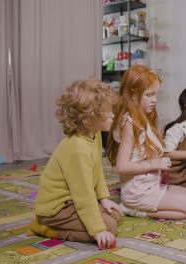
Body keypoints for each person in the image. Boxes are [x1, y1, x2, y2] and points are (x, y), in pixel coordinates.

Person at [28, 79, 122, 250]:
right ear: (91, 115)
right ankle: (46, 228)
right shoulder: (77, 147)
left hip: (72, 202)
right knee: (109, 227)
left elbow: (97, 171)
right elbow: (83, 193)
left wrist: (104, 199)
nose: (113, 115)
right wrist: (97, 230)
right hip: (56, 208)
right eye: (108, 111)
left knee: (114, 214)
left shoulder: (95, 135)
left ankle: (92, 220)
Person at [106, 65, 186, 219]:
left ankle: (137, 206)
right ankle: (134, 210)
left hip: (153, 185)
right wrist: (155, 164)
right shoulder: (129, 124)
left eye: (155, 94)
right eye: (149, 95)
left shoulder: (142, 118)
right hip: (139, 192)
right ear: (133, 95)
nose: (154, 100)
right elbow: (122, 166)